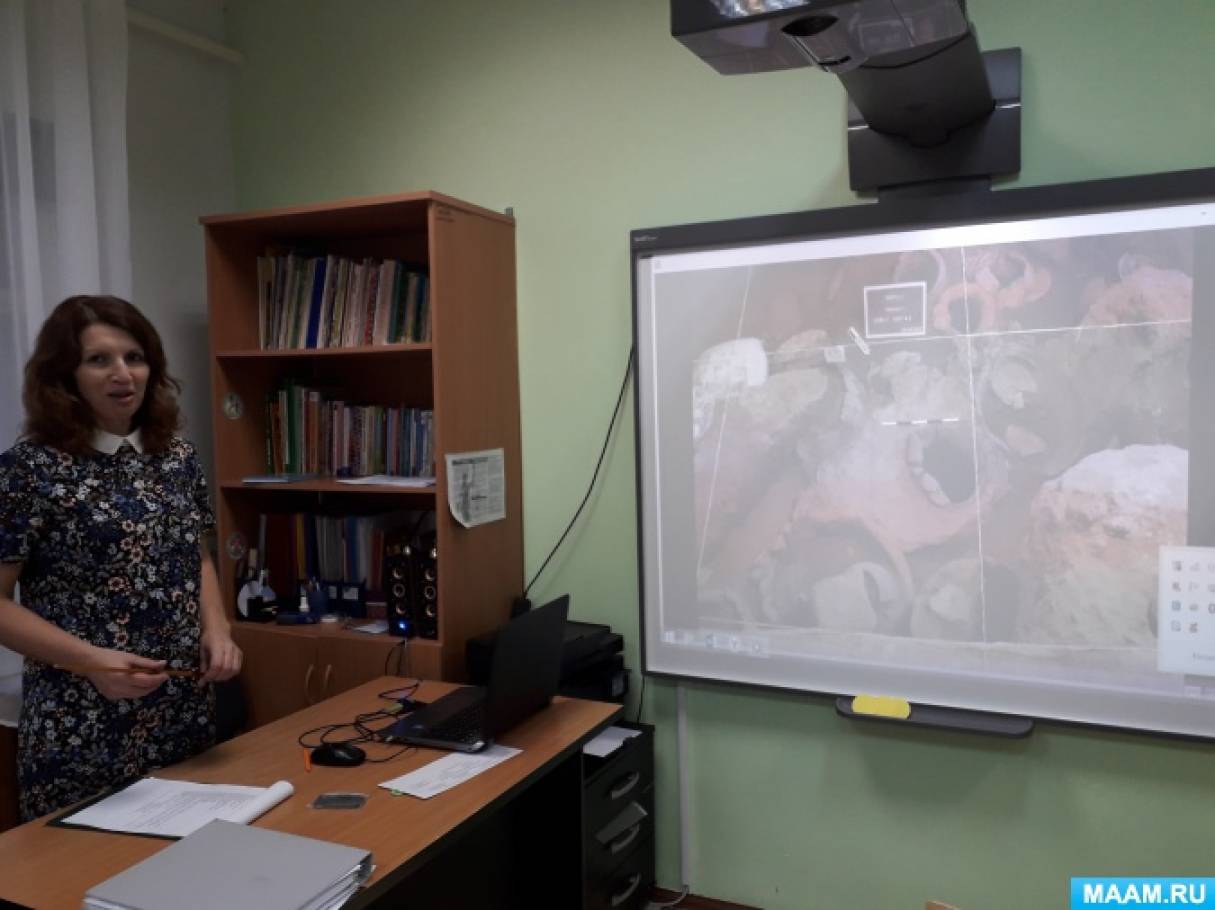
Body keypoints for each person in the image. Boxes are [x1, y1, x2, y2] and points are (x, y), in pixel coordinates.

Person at [0, 295, 242, 821]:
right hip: (80, 722)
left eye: (135, 357)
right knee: (85, 867)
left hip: (181, 711)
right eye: (99, 360)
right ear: (64, 376)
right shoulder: (27, 470)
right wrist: (91, 662)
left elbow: (195, 556)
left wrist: (218, 628)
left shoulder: (176, 457)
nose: (123, 374)